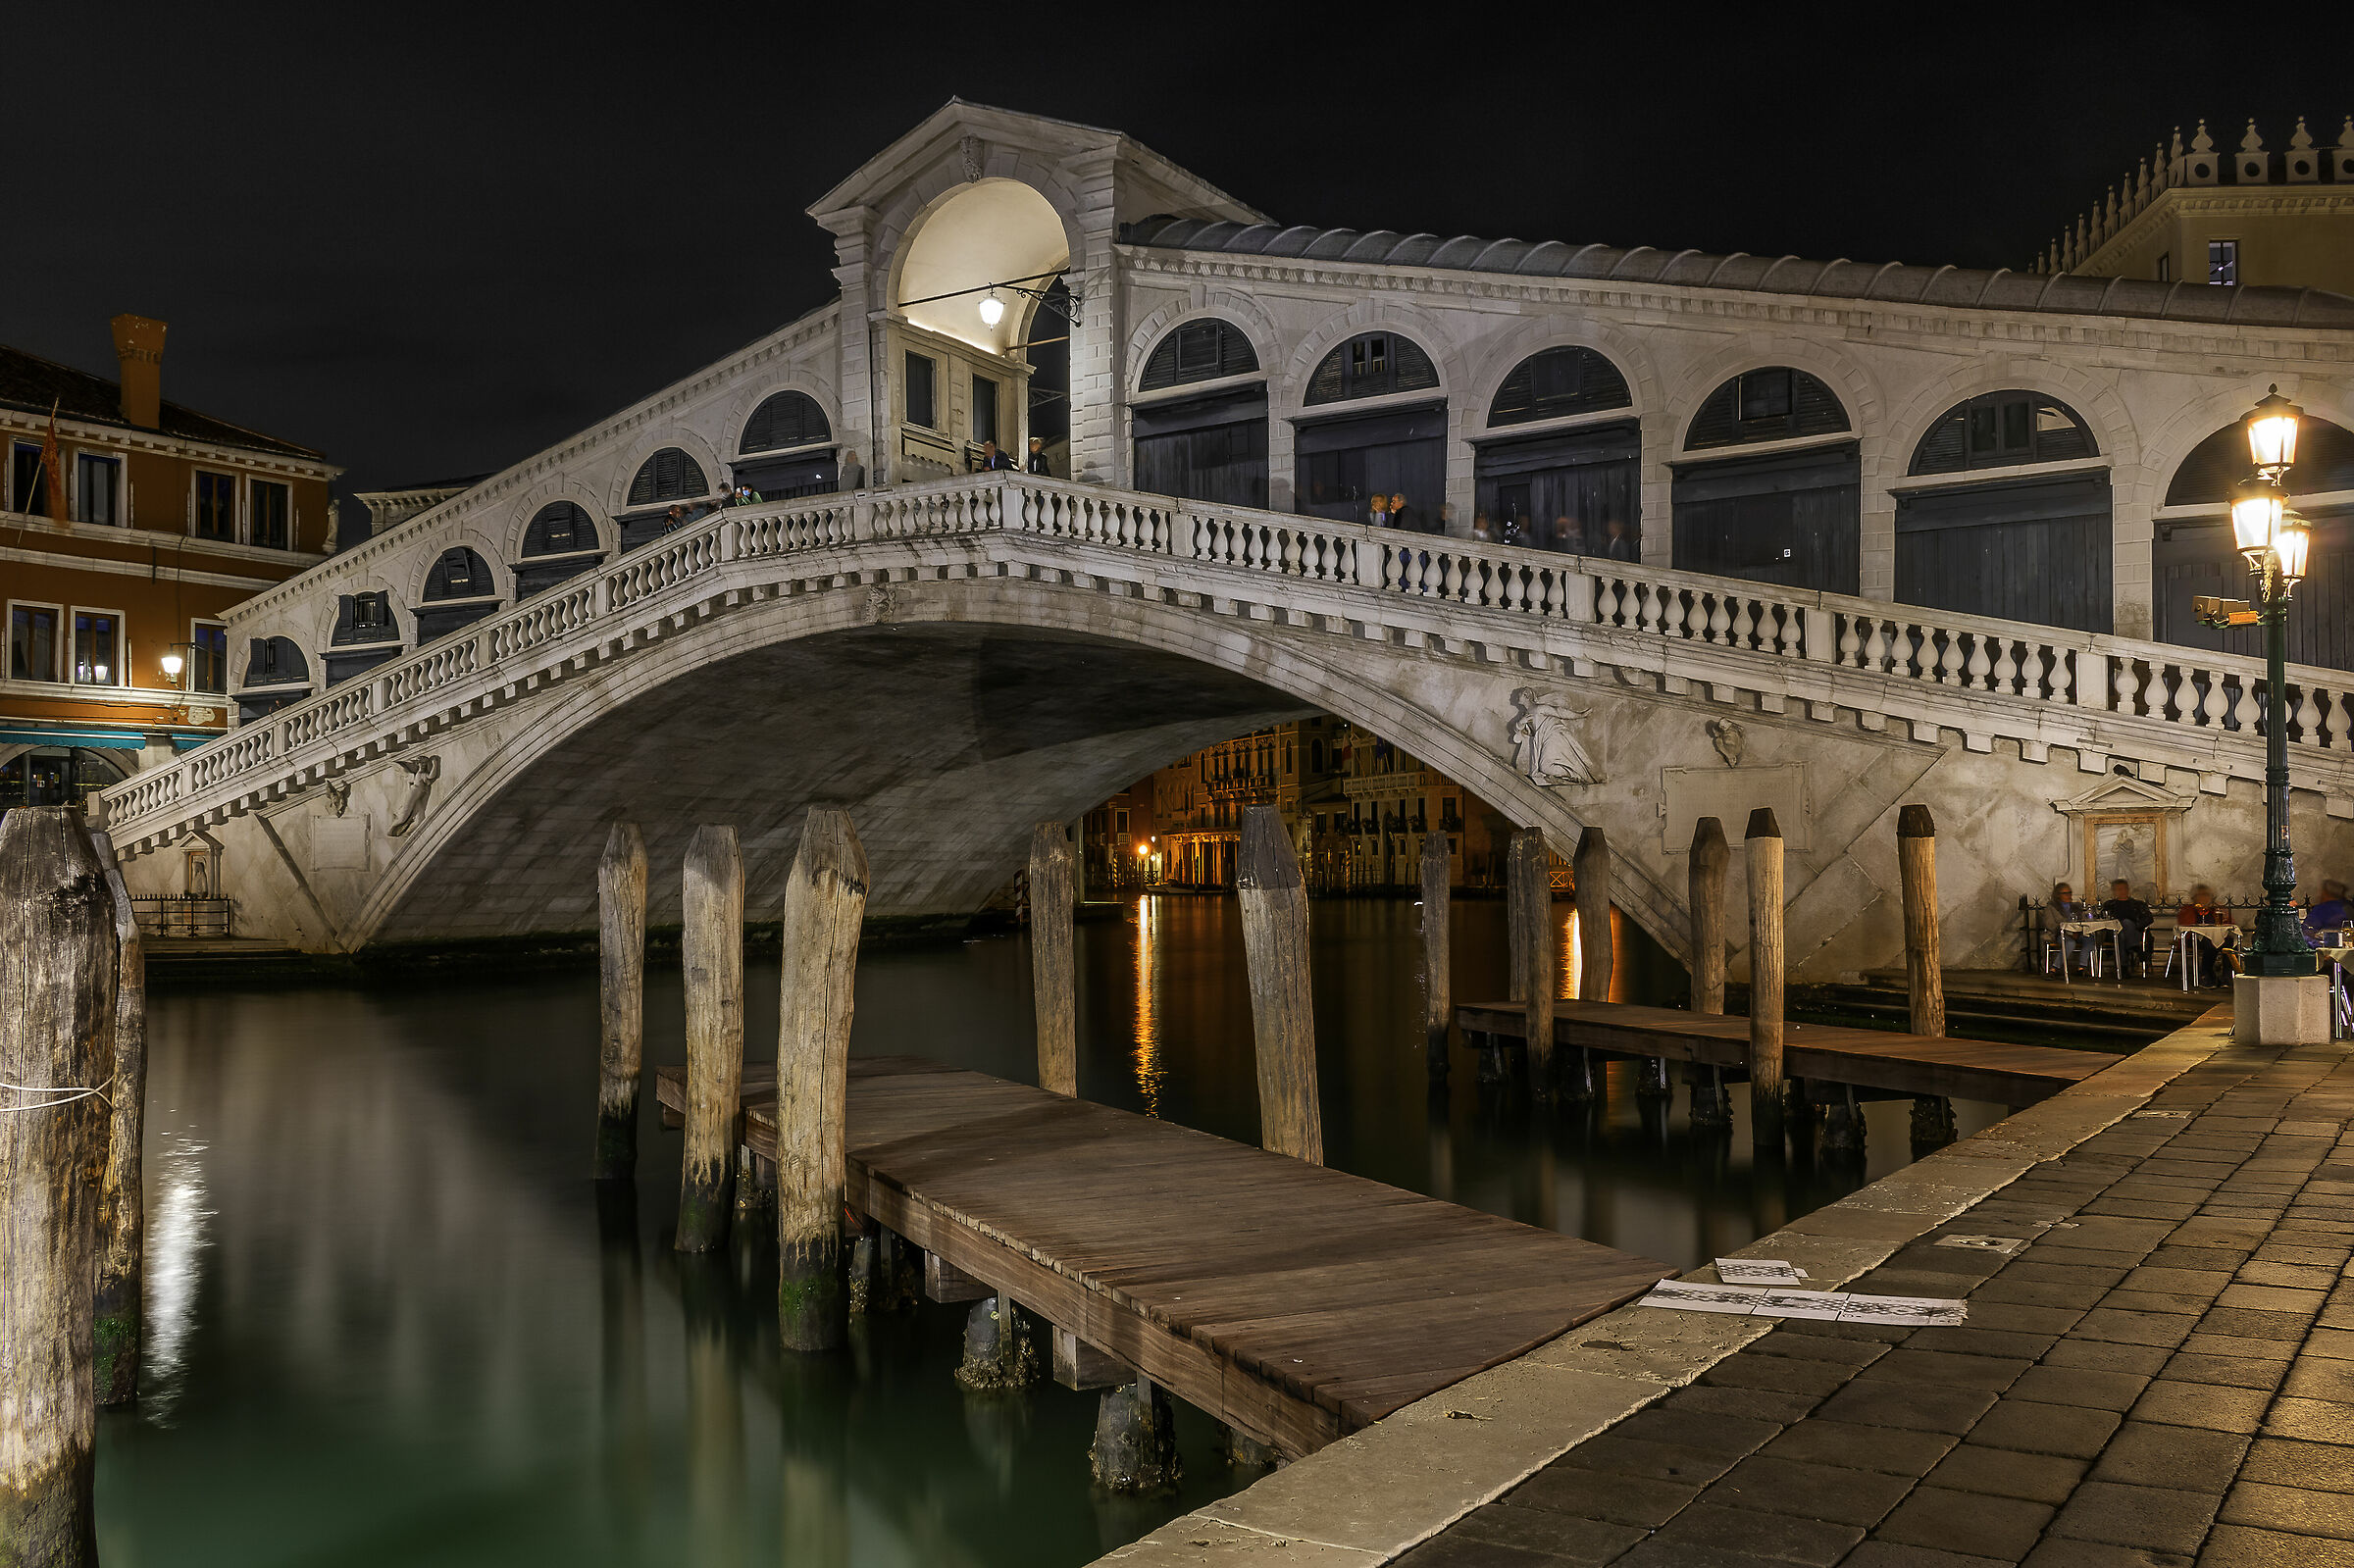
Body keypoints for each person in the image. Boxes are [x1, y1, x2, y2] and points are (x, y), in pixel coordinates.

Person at [2176, 884, 2241, 986]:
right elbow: (2186, 926)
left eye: (2206, 895)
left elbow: (2229, 923)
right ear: (2194, 897)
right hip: (2194, 938)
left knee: (2231, 943)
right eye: (2201, 895)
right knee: (2209, 945)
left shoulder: (2215, 909)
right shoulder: (2188, 910)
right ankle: (2207, 974)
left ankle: (2227, 976)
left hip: (2216, 937)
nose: (2204, 897)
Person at [2101, 879, 2153, 978]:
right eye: (2119, 889)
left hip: (2136, 932)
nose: (2122, 891)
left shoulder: (2138, 904)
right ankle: (2134, 947)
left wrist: (2136, 926)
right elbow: (2103, 919)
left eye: (2124, 889)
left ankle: (2123, 968)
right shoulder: (2109, 905)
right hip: (2115, 933)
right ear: (2114, 891)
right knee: (2121, 935)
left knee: (2126, 924)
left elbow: (2149, 918)